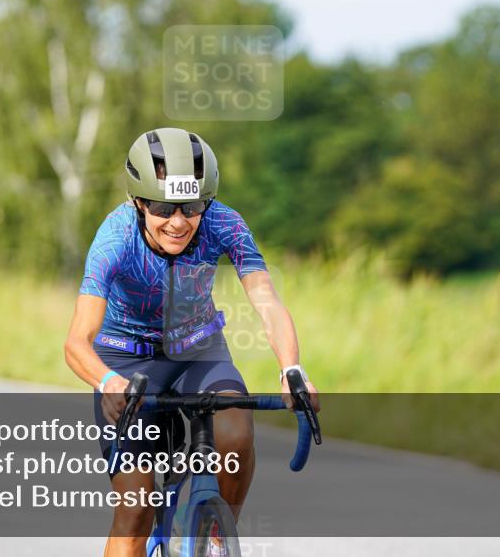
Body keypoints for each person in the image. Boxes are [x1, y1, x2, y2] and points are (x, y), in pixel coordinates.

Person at [64, 128, 318, 557]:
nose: (179, 223)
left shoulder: (224, 222)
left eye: (193, 206)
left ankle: (215, 538)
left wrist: (291, 368)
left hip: (197, 350)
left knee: (235, 434)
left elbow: (266, 299)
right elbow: (76, 341)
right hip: (125, 364)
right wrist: (107, 382)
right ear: (139, 202)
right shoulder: (115, 238)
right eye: (163, 208)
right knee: (135, 509)